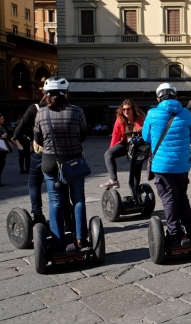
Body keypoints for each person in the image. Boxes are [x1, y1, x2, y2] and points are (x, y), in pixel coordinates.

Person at [34, 77, 88, 249]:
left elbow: (38, 139)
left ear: (46, 93)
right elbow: (83, 135)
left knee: (55, 201)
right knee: (78, 199)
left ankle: (58, 240)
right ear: (65, 92)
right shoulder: (77, 110)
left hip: (51, 163)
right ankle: (80, 237)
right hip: (74, 163)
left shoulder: (41, 113)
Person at [142, 83, 191, 245]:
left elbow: (146, 137)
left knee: (169, 199)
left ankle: (175, 234)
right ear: (175, 96)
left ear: (158, 98)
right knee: (182, 196)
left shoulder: (152, 113)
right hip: (181, 165)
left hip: (162, 166)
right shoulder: (186, 113)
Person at [12, 97, 47, 223]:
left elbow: (17, 132)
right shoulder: (66, 108)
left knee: (34, 184)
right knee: (58, 186)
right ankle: (66, 218)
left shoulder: (35, 108)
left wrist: (28, 139)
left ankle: (37, 214)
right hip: (61, 154)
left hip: (40, 152)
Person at [100, 99, 145, 189]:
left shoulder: (141, 118)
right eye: (123, 109)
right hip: (125, 144)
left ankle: (135, 192)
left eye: (128, 109)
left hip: (138, 145)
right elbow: (115, 135)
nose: (126, 111)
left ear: (133, 109)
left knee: (136, 168)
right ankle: (114, 180)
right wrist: (111, 148)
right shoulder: (120, 119)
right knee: (108, 154)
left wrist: (141, 129)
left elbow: (147, 131)